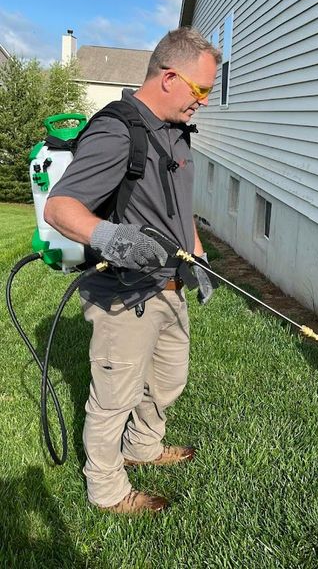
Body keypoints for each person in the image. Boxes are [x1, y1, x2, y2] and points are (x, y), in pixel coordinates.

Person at [44, 27, 222, 514]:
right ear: (169, 77)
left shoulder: (176, 132)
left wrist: (197, 256)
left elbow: (180, 210)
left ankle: (142, 447)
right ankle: (106, 491)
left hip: (169, 287)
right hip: (123, 295)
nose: (204, 102)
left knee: (168, 381)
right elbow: (60, 208)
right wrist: (112, 237)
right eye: (201, 89)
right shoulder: (117, 129)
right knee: (113, 401)